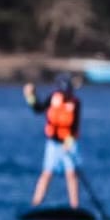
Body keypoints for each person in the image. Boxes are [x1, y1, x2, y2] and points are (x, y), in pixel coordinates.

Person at [24, 73, 83, 210]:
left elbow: (75, 126)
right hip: (53, 143)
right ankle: (36, 203)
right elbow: (38, 109)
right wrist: (30, 96)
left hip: (69, 142)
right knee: (47, 173)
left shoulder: (75, 103)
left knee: (71, 173)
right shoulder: (53, 98)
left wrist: (68, 143)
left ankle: (75, 206)